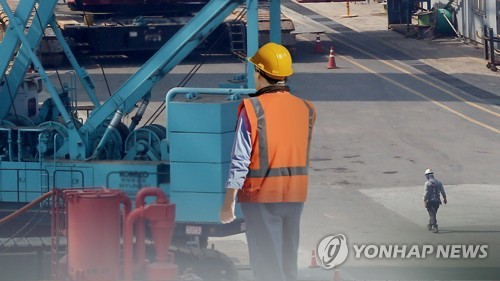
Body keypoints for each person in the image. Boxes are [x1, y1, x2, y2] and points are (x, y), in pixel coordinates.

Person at [219, 42, 316, 281]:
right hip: (295, 194)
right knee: (287, 261)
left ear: (262, 74)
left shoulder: (252, 109)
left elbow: (240, 158)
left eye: (255, 70)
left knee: (266, 265)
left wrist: (228, 201)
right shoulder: (306, 108)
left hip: (261, 196)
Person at [423, 168, 447, 233]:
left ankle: (435, 227)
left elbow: (426, 193)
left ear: (427, 176)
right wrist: (444, 198)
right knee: (433, 214)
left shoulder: (427, 184)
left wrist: (424, 201)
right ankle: (430, 224)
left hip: (430, 202)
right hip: (437, 202)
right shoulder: (439, 183)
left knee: (432, 214)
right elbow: (442, 191)